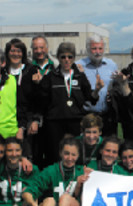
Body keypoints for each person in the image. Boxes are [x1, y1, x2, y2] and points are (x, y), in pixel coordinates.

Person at [37, 42, 104, 165]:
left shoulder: (80, 76)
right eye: (63, 57)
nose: (66, 60)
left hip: (75, 121)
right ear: (58, 58)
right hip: (55, 122)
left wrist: (97, 89)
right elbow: (41, 101)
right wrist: (38, 84)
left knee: (75, 153)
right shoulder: (51, 76)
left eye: (70, 57)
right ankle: (57, 180)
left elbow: (91, 98)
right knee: (55, 154)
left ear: (74, 58)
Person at [21, 35, 56, 168]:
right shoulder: (28, 69)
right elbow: (26, 96)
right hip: (33, 118)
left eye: (41, 47)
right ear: (32, 50)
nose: (39, 51)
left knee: (52, 153)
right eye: (35, 48)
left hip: (52, 117)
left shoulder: (55, 68)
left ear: (47, 48)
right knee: (35, 153)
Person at [76, 34, 118, 136]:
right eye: (94, 48)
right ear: (87, 49)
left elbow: (115, 86)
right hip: (87, 116)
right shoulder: (78, 66)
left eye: (100, 48)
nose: (98, 52)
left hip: (107, 116)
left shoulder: (111, 65)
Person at [4, 38, 31, 140]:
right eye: (12, 51)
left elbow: (34, 101)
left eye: (19, 51)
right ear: (7, 53)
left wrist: (23, 125)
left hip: (26, 122)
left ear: (23, 53)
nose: (16, 54)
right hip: (6, 123)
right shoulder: (3, 73)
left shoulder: (30, 71)